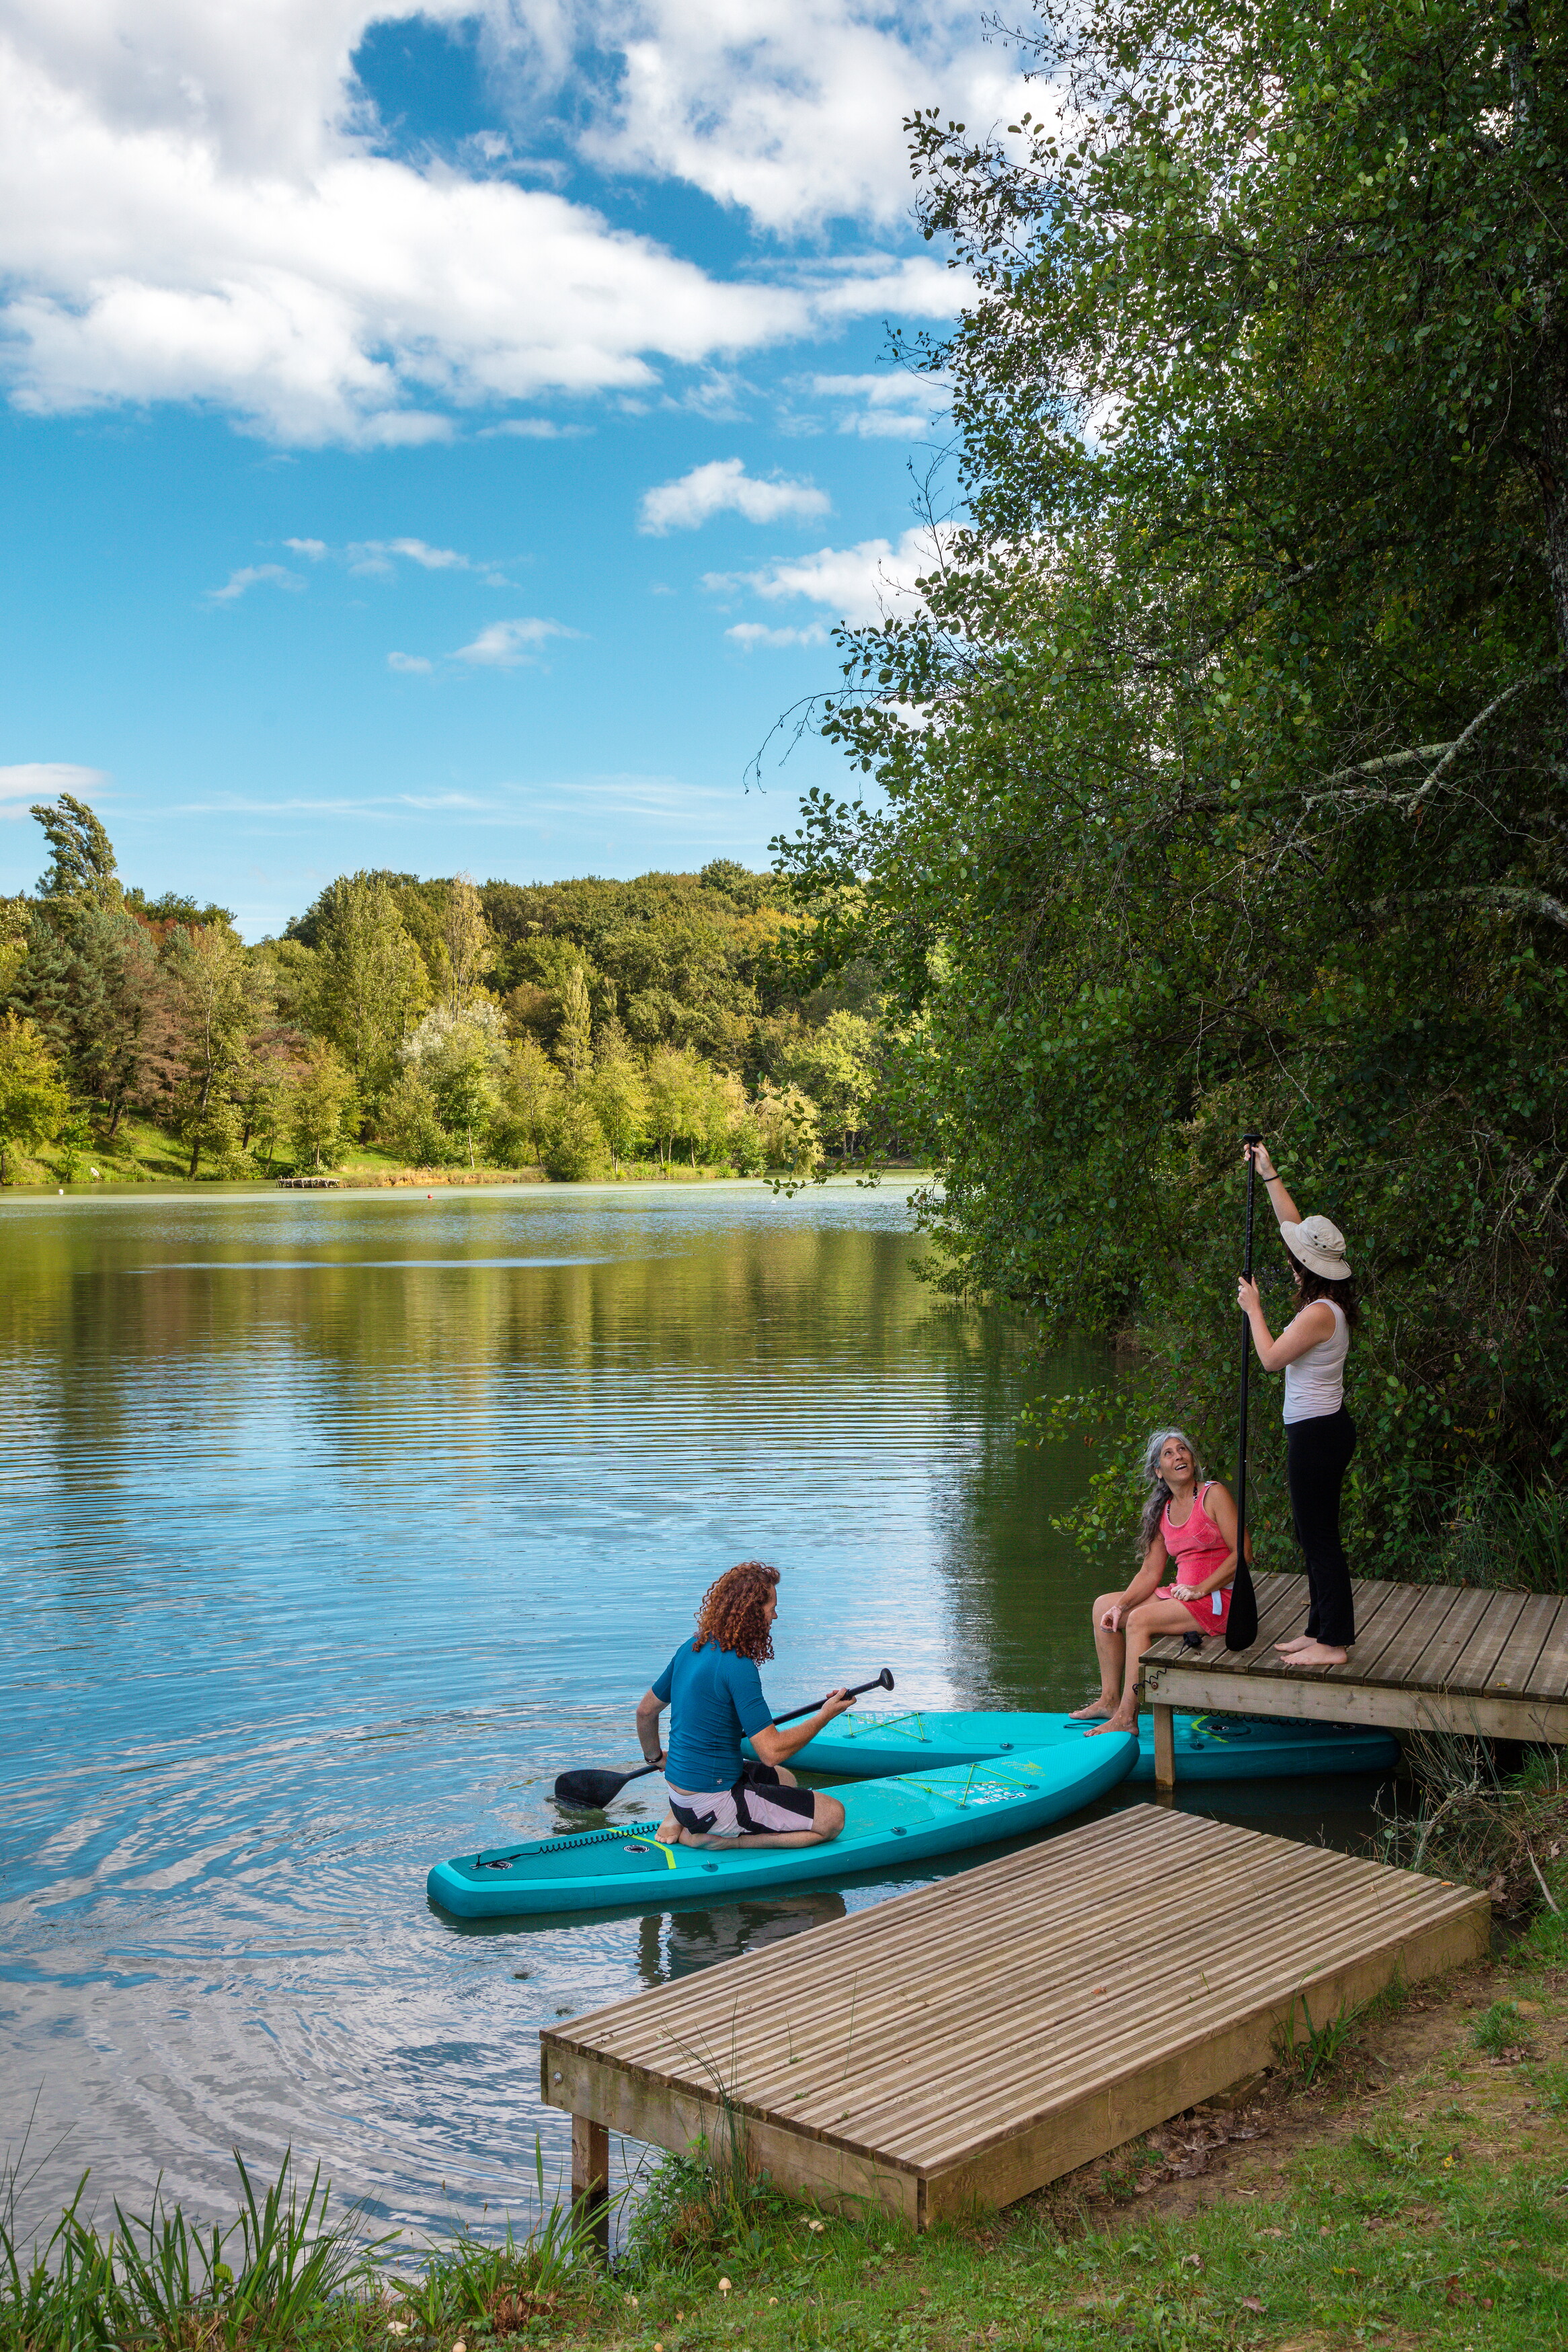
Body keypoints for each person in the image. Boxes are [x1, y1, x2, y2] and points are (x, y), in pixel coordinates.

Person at [1237, 1140, 1358, 1668]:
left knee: (1320, 1537)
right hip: (1319, 1430)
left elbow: (1269, 1359)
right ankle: (1319, 1629)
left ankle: (1334, 1645)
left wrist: (1253, 1308)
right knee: (1314, 1534)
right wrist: (1268, 1173)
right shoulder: (1321, 1294)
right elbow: (1293, 1229)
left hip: (1317, 1435)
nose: (1293, 1261)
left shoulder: (1317, 1313)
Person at [636, 1560, 851, 1848]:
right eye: (771, 1607)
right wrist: (824, 1717)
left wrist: (655, 1759)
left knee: (785, 1780)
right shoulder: (739, 1666)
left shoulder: (693, 1646)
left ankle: (679, 1814)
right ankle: (719, 1840)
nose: (775, 1615)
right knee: (833, 1817)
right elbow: (771, 1751)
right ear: (751, 1612)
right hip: (712, 1801)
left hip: (682, 1791)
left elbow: (645, 1711)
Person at [1072, 1429, 1242, 1735]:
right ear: (1158, 1472)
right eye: (1169, 1453)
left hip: (1219, 1598)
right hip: (1183, 1595)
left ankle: (1127, 1717)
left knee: (1138, 1621)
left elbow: (1243, 1554)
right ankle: (1109, 1701)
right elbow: (1151, 1572)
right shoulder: (1162, 1511)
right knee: (1104, 1609)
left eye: (1182, 1450)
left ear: (1192, 1458)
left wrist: (1200, 1588)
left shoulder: (1213, 1495)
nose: (1179, 1456)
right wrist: (1120, 1606)